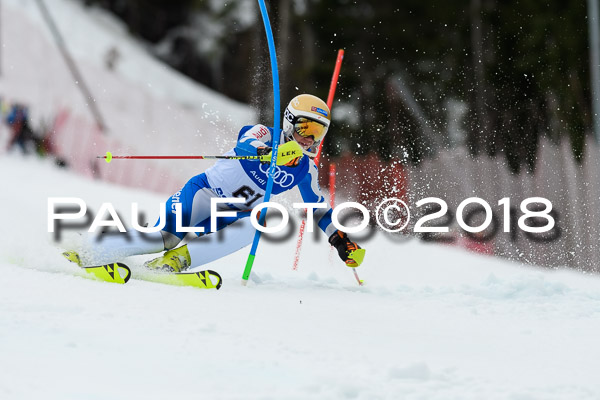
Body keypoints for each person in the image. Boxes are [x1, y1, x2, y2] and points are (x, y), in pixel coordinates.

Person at [64, 94, 365, 272]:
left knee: (258, 223)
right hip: (204, 194)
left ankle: (175, 264)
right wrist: (269, 154)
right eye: (307, 128)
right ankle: (90, 251)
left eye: (318, 133)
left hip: (231, 217)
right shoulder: (264, 133)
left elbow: (317, 209)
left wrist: (340, 240)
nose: (310, 139)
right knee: (162, 238)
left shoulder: (305, 170)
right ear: (289, 122)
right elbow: (246, 144)